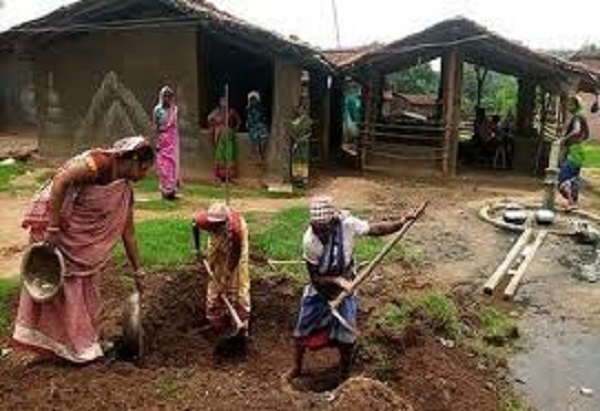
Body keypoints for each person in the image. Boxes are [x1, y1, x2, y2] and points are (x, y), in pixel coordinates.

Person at [13, 136, 154, 363]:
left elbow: (128, 233)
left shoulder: (124, 189)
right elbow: (61, 181)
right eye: (144, 169)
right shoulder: (97, 164)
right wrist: (53, 227)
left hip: (82, 248)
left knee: (85, 292)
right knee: (62, 292)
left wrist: (138, 271)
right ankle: (71, 348)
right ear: (134, 159)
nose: (144, 175)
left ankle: (81, 343)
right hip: (60, 233)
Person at [291, 196, 418, 378]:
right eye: (316, 229)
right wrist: (337, 281)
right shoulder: (310, 241)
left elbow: (376, 229)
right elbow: (315, 278)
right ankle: (297, 368)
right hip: (320, 289)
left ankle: (344, 374)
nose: (320, 234)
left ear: (333, 222)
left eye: (324, 229)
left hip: (346, 289)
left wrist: (401, 222)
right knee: (303, 329)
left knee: (347, 338)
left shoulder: (347, 225)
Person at [192, 202, 250, 335]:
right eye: (213, 224)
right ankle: (216, 317)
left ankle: (241, 318)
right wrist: (197, 249)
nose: (215, 226)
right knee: (214, 272)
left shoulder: (235, 231)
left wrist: (225, 280)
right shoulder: (205, 221)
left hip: (234, 244)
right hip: (217, 236)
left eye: (218, 224)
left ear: (224, 222)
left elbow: (234, 259)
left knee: (238, 277)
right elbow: (194, 225)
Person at [558, 95, 590, 211]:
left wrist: (564, 139)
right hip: (579, 151)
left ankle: (571, 202)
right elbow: (586, 135)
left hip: (574, 153)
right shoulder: (582, 116)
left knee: (562, 179)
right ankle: (573, 203)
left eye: (570, 104)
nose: (568, 107)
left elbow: (576, 130)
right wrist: (579, 140)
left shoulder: (577, 116)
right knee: (572, 179)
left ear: (576, 105)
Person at [153, 86, 180, 200]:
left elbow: (174, 127)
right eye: (165, 96)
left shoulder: (174, 110)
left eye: (169, 96)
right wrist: (157, 141)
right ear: (161, 97)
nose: (167, 98)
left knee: (172, 165)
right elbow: (156, 126)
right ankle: (165, 191)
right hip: (162, 140)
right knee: (163, 166)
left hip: (172, 141)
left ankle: (172, 191)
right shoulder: (157, 110)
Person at [207, 96, 241, 183]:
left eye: (225, 104)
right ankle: (218, 176)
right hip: (220, 136)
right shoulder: (217, 112)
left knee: (229, 155)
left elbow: (238, 120)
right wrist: (216, 124)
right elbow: (209, 118)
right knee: (219, 156)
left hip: (229, 136)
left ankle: (228, 176)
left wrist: (235, 128)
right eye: (222, 104)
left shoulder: (231, 111)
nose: (224, 106)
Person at [246, 91, 269, 161]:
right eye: (251, 100)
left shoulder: (261, 109)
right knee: (255, 142)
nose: (253, 101)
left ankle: (262, 154)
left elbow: (264, 118)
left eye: (254, 100)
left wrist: (263, 123)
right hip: (253, 127)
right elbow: (249, 119)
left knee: (263, 140)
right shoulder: (248, 109)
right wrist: (248, 124)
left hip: (261, 126)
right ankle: (258, 156)